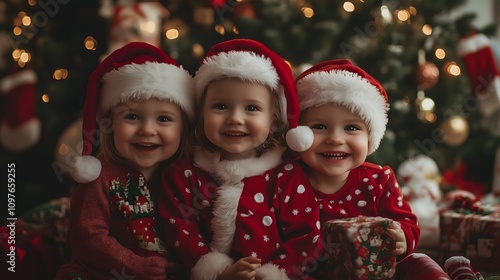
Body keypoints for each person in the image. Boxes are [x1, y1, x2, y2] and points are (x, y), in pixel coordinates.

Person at [157, 39, 321, 280]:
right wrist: (215, 271)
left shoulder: (285, 175)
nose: (235, 118)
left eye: (252, 108)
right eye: (221, 106)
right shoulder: (183, 173)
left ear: (274, 121)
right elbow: (178, 228)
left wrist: (276, 273)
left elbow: (306, 237)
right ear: (201, 115)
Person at [295, 59, 449, 279]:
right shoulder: (288, 178)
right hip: (311, 271)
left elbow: (408, 224)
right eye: (319, 126)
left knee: (420, 263)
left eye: (351, 128)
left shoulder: (378, 180)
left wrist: (403, 237)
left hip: (376, 271)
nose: (336, 139)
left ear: (370, 140)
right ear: (298, 134)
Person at [54, 42, 194, 280]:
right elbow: (88, 236)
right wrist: (133, 265)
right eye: (132, 117)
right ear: (110, 125)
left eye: (163, 119)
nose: (147, 129)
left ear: (184, 129)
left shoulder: (184, 177)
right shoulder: (99, 179)